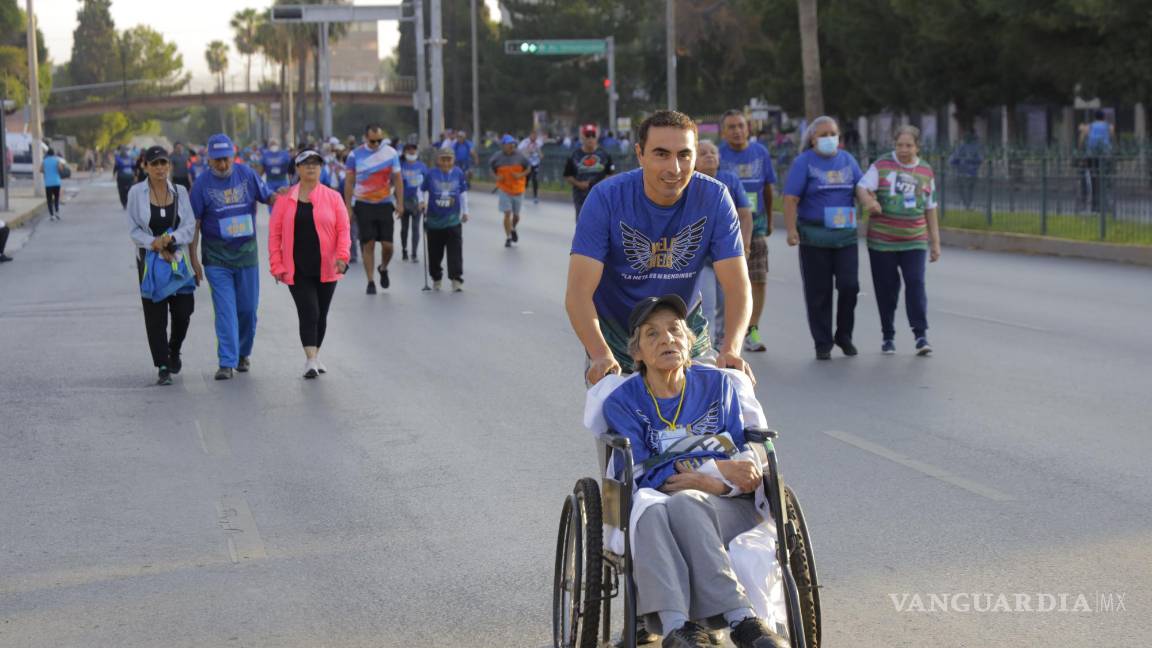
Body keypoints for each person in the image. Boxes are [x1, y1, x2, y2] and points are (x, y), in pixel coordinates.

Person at [600, 295, 788, 648]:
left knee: (684, 501)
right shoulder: (623, 402)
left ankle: (719, 620)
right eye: (652, 334)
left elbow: (744, 465)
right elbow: (640, 471)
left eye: (675, 330)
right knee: (654, 511)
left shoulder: (719, 386)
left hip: (729, 508)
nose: (667, 339)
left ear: (689, 341)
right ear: (636, 352)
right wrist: (715, 469)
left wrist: (712, 481)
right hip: (665, 504)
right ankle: (693, 626)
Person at [566, 109, 754, 387]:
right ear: (640, 154)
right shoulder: (606, 198)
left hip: (684, 330)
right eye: (661, 154)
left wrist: (731, 350)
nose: (674, 168)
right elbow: (579, 293)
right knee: (621, 425)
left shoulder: (715, 197)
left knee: (711, 419)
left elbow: (738, 286)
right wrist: (599, 354)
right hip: (618, 336)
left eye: (684, 155)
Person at [190, 133, 279, 380]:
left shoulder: (247, 175)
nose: (223, 165)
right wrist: (194, 259)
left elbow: (268, 196)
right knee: (225, 310)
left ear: (233, 156)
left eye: (226, 159)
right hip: (217, 258)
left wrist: (284, 197)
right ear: (209, 159)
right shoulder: (201, 185)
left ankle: (242, 354)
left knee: (248, 310)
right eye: (217, 160)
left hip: (247, 256)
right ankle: (226, 362)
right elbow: (194, 224)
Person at [783, 116, 864, 361]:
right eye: (823, 134)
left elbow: (860, 187)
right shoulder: (803, 162)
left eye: (833, 133)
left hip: (845, 237)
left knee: (850, 286)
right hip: (814, 237)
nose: (829, 138)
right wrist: (791, 230)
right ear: (813, 139)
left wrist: (870, 201)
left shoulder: (848, 160)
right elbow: (790, 198)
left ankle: (844, 335)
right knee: (819, 291)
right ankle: (823, 342)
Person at [856, 125, 941, 356]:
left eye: (909, 145)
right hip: (882, 241)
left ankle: (921, 334)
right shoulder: (882, 165)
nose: (904, 150)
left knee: (915, 283)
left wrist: (935, 242)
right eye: (899, 145)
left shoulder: (925, 171)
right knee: (887, 289)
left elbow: (931, 207)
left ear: (917, 146)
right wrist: (869, 203)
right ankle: (888, 335)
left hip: (914, 239)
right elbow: (862, 187)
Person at [268, 149, 351, 379]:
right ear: (297, 169)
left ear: (321, 168)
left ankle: (315, 354)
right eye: (306, 164)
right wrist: (276, 265)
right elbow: (274, 235)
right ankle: (311, 360)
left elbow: (343, 230)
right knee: (309, 312)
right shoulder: (285, 199)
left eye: (315, 163)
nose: (311, 167)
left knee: (321, 315)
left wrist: (343, 256)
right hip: (297, 268)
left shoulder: (333, 197)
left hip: (327, 266)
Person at [126, 146, 198, 385]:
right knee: (155, 315)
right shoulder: (136, 193)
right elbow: (134, 229)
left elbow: (189, 225)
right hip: (149, 260)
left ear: (169, 165)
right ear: (145, 166)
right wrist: (154, 243)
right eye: (154, 163)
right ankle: (163, 365)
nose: (159, 168)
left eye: (163, 163)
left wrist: (171, 239)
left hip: (178, 258)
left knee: (183, 310)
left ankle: (174, 348)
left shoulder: (180, 191)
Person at [719, 110, 777, 354]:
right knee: (726, 280)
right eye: (731, 127)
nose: (737, 131)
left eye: (741, 126)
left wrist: (770, 220)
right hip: (724, 226)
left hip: (757, 222)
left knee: (757, 278)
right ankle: (726, 330)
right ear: (724, 132)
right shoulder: (718, 155)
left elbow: (767, 189)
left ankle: (752, 328)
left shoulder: (760, 153)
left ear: (748, 128)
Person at [695, 139, 753, 351]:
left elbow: (746, 215)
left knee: (726, 302)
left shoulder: (730, 180)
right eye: (703, 153)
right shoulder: (690, 182)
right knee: (707, 305)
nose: (709, 155)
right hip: (703, 259)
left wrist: (745, 246)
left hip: (728, 255)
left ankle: (723, 344)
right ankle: (706, 349)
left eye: (713, 152)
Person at [344, 124, 403, 294]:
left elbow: (397, 179)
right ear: (365, 138)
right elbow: (349, 182)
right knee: (368, 244)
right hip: (363, 204)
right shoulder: (355, 155)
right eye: (373, 141)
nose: (376, 144)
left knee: (388, 245)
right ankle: (370, 281)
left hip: (384, 203)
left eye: (379, 140)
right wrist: (348, 207)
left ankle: (383, 268)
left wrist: (400, 202)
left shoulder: (391, 153)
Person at [419, 148, 470, 292]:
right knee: (435, 252)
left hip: (453, 219)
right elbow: (421, 190)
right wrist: (422, 201)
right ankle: (436, 277)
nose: (446, 162)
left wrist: (465, 211)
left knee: (455, 250)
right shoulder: (431, 174)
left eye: (449, 159)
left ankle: (456, 279)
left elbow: (463, 193)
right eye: (443, 159)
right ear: (438, 160)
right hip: (434, 220)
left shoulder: (459, 173)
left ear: (453, 160)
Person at [563, 123, 615, 221]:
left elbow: (611, 174)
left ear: (596, 137)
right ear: (583, 137)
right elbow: (567, 175)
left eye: (593, 135)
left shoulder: (605, 154)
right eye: (587, 135)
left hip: (601, 197)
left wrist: (601, 184)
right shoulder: (574, 155)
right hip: (581, 197)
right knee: (583, 224)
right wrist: (578, 184)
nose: (590, 138)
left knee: (601, 224)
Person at [489, 135, 531, 248]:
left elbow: (529, 168)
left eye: (513, 144)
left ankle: (513, 228)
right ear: (503, 145)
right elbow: (490, 168)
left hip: (518, 189)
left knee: (516, 216)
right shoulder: (497, 157)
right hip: (504, 189)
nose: (511, 146)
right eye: (509, 144)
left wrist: (520, 175)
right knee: (507, 213)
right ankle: (508, 237)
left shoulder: (520, 155)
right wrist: (496, 177)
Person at [399, 142, 428, 262]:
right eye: (409, 150)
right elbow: (397, 185)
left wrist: (425, 202)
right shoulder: (401, 166)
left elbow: (427, 184)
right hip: (404, 200)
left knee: (415, 228)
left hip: (417, 201)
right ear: (405, 152)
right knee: (404, 228)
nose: (411, 152)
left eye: (413, 150)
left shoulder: (422, 166)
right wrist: (398, 202)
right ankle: (404, 249)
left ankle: (414, 253)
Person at [948, 131, 982, 210]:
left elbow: (952, 160)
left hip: (961, 172)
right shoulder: (976, 147)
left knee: (963, 189)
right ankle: (968, 204)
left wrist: (958, 164)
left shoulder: (960, 147)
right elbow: (979, 159)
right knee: (970, 189)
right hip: (972, 172)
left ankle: (966, 204)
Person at [518, 130, 544, 203]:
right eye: (533, 136)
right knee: (526, 179)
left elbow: (540, 151)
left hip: (535, 164)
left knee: (535, 179)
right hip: (527, 164)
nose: (534, 138)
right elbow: (519, 150)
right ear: (530, 135)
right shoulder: (525, 142)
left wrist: (541, 155)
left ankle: (535, 197)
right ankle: (522, 194)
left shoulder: (538, 143)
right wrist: (527, 151)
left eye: (536, 136)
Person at [40, 148, 65, 221]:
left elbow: (40, 170)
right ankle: (57, 212)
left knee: (49, 200)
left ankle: (51, 215)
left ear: (47, 154)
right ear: (53, 154)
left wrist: (46, 171)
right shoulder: (57, 160)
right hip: (56, 182)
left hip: (48, 183)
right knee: (56, 198)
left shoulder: (44, 161)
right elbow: (60, 169)